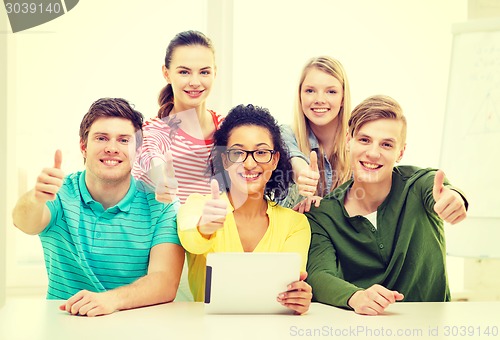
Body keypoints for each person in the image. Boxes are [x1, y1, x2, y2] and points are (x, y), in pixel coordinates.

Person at [12, 98, 184, 317]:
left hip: (135, 327)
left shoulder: (161, 204)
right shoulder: (60, 193)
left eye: (123, 140)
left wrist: (110, 300)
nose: (111, 148)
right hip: (64, 325)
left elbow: (165, 282)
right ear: (83, 146)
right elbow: (23, 222)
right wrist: (36, 198)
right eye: (101, 138)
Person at [305, 95, 468, 315]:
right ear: (347, 141)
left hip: (432, 328)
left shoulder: (417, 185)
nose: (373, 153)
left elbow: (441, 190)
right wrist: (356, 296)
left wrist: (455, 199)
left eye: (386, 144)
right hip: (364, 328)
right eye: (364, 140)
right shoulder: (323, 214)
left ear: (400, 152)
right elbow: (319, 275)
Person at [177, 104, 312, 315]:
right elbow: (190, 239)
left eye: (261, 152)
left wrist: (298, 298)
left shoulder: (295, 224)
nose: (249, 164)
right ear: (224, 159)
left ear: (275, 159)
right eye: (238, 152)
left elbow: (291, 287)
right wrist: (204, 227)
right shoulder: (198, 206)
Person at [132, 30, 223, 204]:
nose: (195, 82)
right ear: (167, 74)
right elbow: (150, 154)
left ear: (214, 73)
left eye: (204, 72)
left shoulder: (228, 127)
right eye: (184, 72)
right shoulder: (151, 132)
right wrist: (161, 180)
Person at [280, 56, 352, 212]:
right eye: (310, 91)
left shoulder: (357, 142)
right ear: (300, 95)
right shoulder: (285, 134)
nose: (319, 99)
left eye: (331, 91)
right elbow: (293, 158)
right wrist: (302, 174)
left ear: (342, 98)